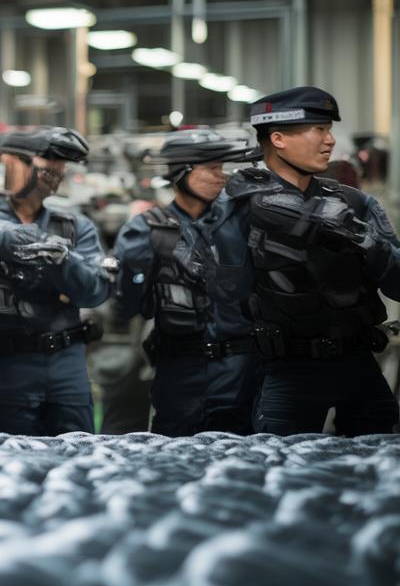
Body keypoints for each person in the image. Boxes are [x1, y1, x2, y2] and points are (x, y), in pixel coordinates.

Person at [193, 86, 400, 435]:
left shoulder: (355, 203)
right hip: (284, 374)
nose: (330, 140)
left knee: (379, 462)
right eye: (318, 129)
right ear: (278, 139)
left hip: (360, 367)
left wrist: (366, 240)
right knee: (280, 466)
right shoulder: (237, 206)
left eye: (329, 129)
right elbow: (221, 296)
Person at [0, 127, 110, 435]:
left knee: (78, 448)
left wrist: (64, 259)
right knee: (14, 450)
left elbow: (94, 291)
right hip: (14, 363)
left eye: (59, 172)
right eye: (47, 170)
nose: (54, 178)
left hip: (68, 362)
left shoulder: (74, 226)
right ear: (14, 165)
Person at [112, 130, 263, 435]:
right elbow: (126, 306)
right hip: (180, 372)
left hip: (241, 371)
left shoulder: (241, 221)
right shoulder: (146, 230)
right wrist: (140, 265)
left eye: (222, 168)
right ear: (181, 172)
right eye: (211, 168)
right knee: (175, 450)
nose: (221, 176)